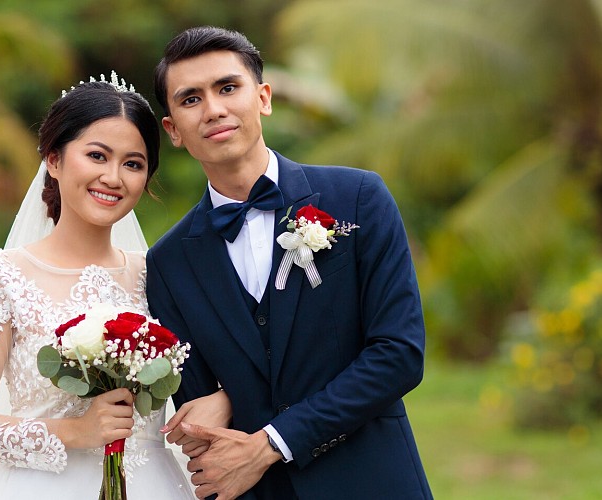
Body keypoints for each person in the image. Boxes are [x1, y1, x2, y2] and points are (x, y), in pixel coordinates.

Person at [148, 27, 433, 499]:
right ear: (173, 129)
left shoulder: (359, 199)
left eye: (227, 88)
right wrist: (219, 403)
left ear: (263, 97)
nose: (214, 109)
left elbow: (398, 354)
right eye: (191, 98)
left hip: (374, 480)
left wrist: (268, 440)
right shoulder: (168, 263)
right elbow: (198, 418)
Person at [0, 73, 220, 499]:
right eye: (97, 156)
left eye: (133, 163)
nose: (113, 177)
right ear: (54, 159)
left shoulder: (159, 275)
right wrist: (75, 431)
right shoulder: (2, 277)